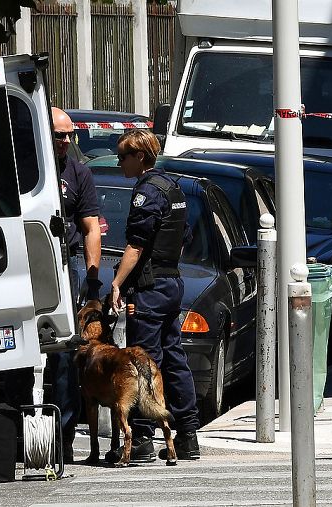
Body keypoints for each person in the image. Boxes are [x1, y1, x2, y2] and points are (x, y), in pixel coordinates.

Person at [107, 129, 201, 463]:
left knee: (144, 362)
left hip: (148, 289)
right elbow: (183, 236)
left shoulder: (147, 192)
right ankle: (188, 436)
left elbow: (137, 243)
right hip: (171, 284)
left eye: (123, 157)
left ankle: (143, 439)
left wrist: (117, 282)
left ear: (140, 157)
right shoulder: (174, 187)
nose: (120, 163)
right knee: (173, 358)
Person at [52, 107, 102, 462]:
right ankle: (14, 431)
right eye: (59, 134)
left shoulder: (78, 172)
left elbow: (89, 228)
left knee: (66, 354)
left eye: (70, 134)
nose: (66, 141)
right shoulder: (23, 165)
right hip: (24, 266)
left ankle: (63, 439)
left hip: (65, 265)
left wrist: (94, 277)